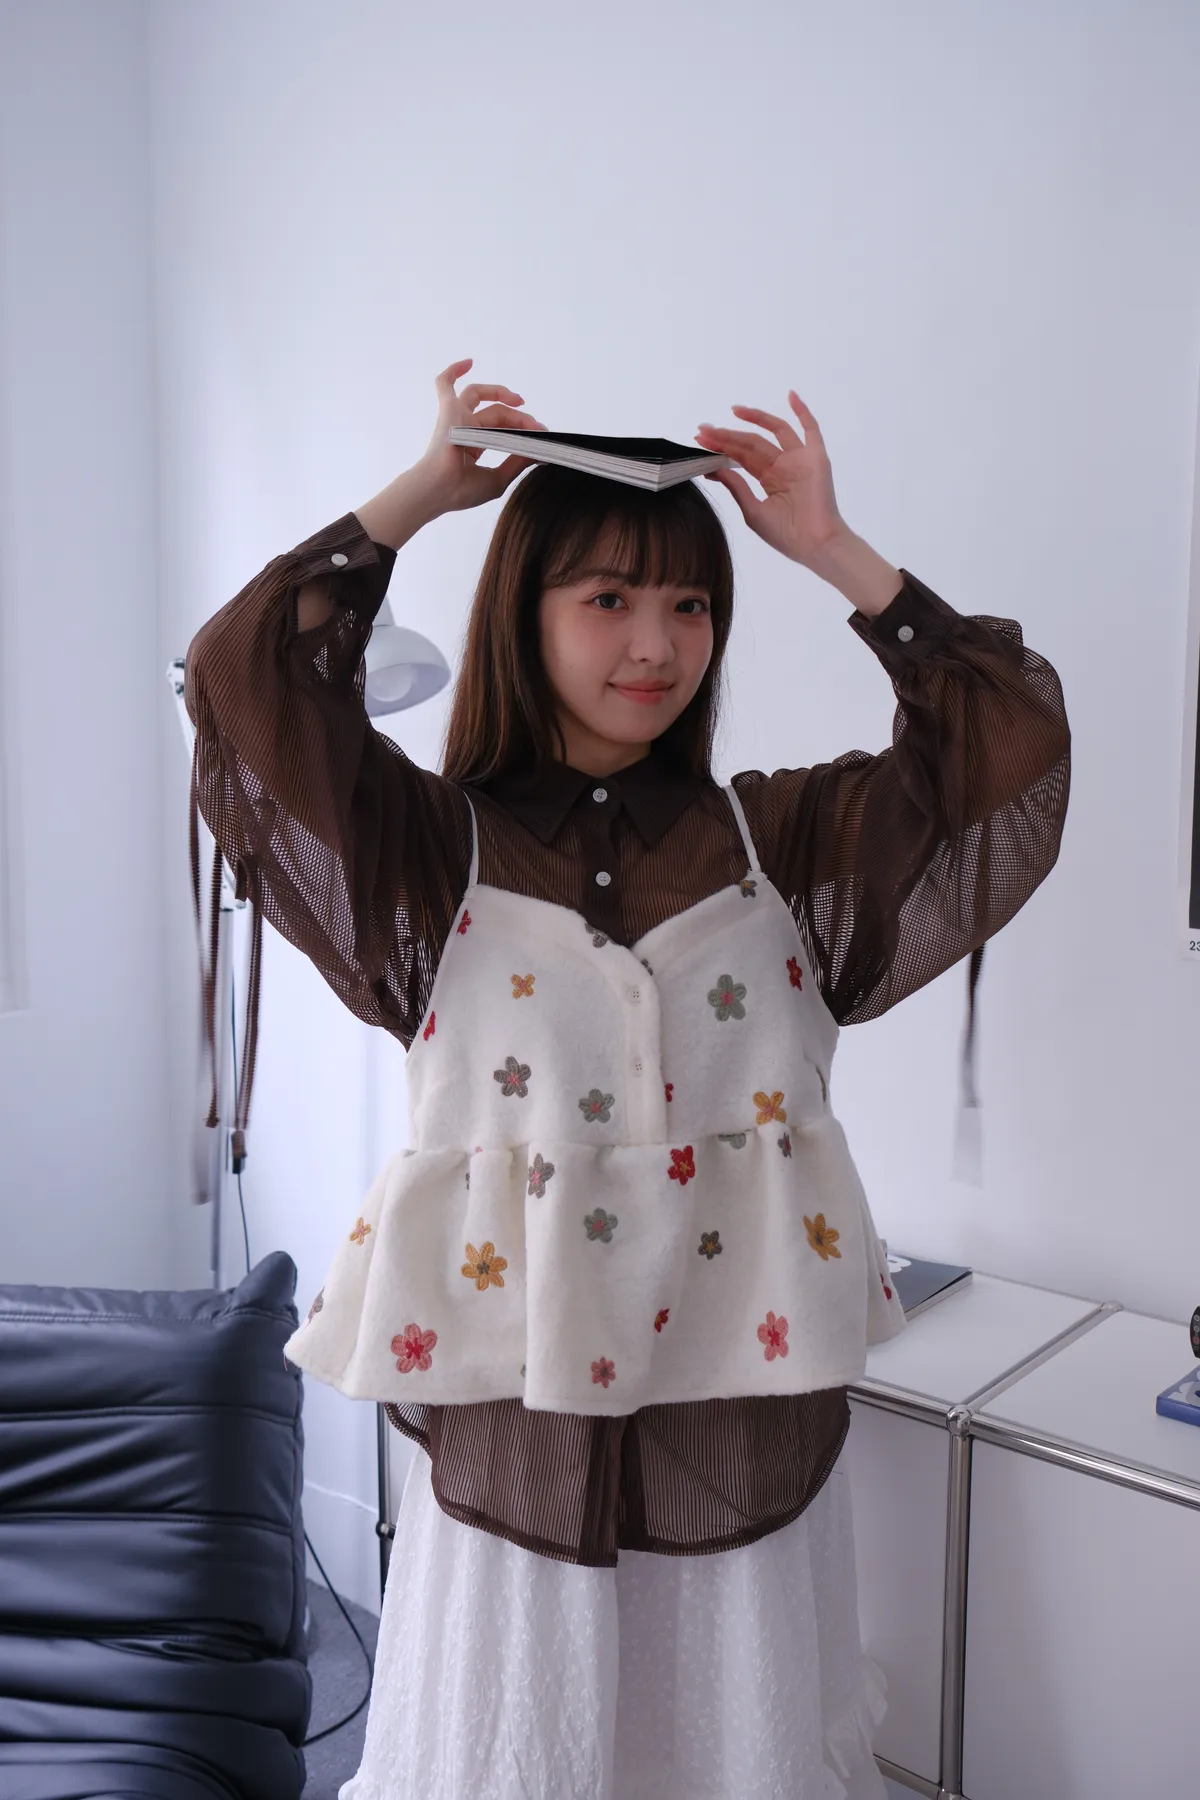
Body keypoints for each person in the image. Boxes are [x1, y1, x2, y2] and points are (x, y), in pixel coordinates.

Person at [184, 358, 1071, 1799]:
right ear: (524, 615)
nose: (658, 643)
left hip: (738, 1417)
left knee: (738, 1738)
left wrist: (833, 550)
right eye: (607, 598)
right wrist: (419, 497)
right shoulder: (428, 856)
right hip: (520, 1429)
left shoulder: (788, 846)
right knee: (515, 1748)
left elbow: (1008, 742)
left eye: (692, 604)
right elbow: (243, 682)